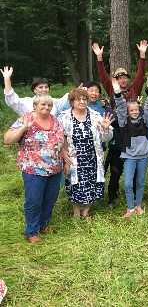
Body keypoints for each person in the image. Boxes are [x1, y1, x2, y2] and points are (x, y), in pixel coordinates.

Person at [4, 94, 65, 243]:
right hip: (33, 170)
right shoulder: (26, 119)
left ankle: (43, 224)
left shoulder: (55, 121)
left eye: (49, 105)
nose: (46, 107)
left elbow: (62, 140)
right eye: (43, 105)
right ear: (35, 105)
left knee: (50, 199)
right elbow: (7, 140)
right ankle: (31, 231)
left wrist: (66, 159)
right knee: (34, 200)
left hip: (55, 169)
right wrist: (23, 128)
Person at [58, 88, 114, 218]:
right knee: (74, 185)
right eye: (79, 99)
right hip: (74, 158)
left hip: (93, 157)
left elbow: (107, 138)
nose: (82, 102)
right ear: (72, 102)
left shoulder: (95, 116)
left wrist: (106, 129)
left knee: (92, 184)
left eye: (84, 99)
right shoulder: (64, 117)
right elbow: (61, 138)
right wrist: (65, 157)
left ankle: (86, 212)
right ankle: (76, 213)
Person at [113, 79, 148, 218]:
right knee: (127, 184)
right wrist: (118, 92)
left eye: (136, 109)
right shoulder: (123, 122)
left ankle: (138, 206)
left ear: (139, 109)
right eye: (131, 110)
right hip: (130, 156)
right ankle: (130, 208)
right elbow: (120, 107)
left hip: (143, 155)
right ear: (128, 111)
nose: (134, 112)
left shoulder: (145, 120)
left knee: (140, 183)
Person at [1, 66, 68, 117]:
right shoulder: (27, 102)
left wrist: (78, 89)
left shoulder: (54, 102)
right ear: (34, 90)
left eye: (46, 87)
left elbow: (69, 98)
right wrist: (7, 79)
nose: (44, 90)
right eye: (40, 87)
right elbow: (11, 99)